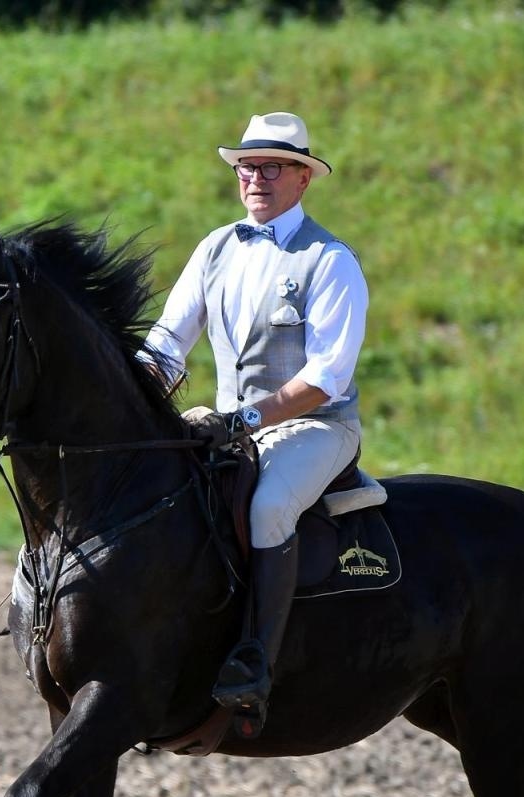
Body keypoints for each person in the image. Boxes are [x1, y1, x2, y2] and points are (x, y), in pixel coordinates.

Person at [139, 111, 368, 718]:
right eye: (247, 167)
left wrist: (243, 420)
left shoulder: (330, 260)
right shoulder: (215, 247)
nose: (256, 178)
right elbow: (167, 343)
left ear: (303, 179)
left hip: (318, 427)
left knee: (268, 505)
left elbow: (326, 377)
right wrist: (135, 393)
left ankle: (255, 660)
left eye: (272, 167)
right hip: (226, 425)